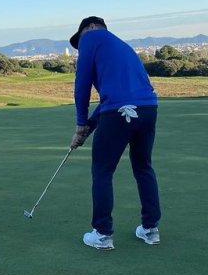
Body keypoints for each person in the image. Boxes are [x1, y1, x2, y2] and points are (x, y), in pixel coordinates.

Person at [68, 16, 162, 250]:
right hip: (148, 108)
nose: (81, 48)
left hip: (120, 111)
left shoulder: (90, 38)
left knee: (102, 170)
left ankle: (102, 234)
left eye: (79, 41)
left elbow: (82, 85)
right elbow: (119, 94)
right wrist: (90, 124)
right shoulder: (122, 45)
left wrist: (80, 123)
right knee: (143, 166)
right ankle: (150, 230)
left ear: (89, 27)